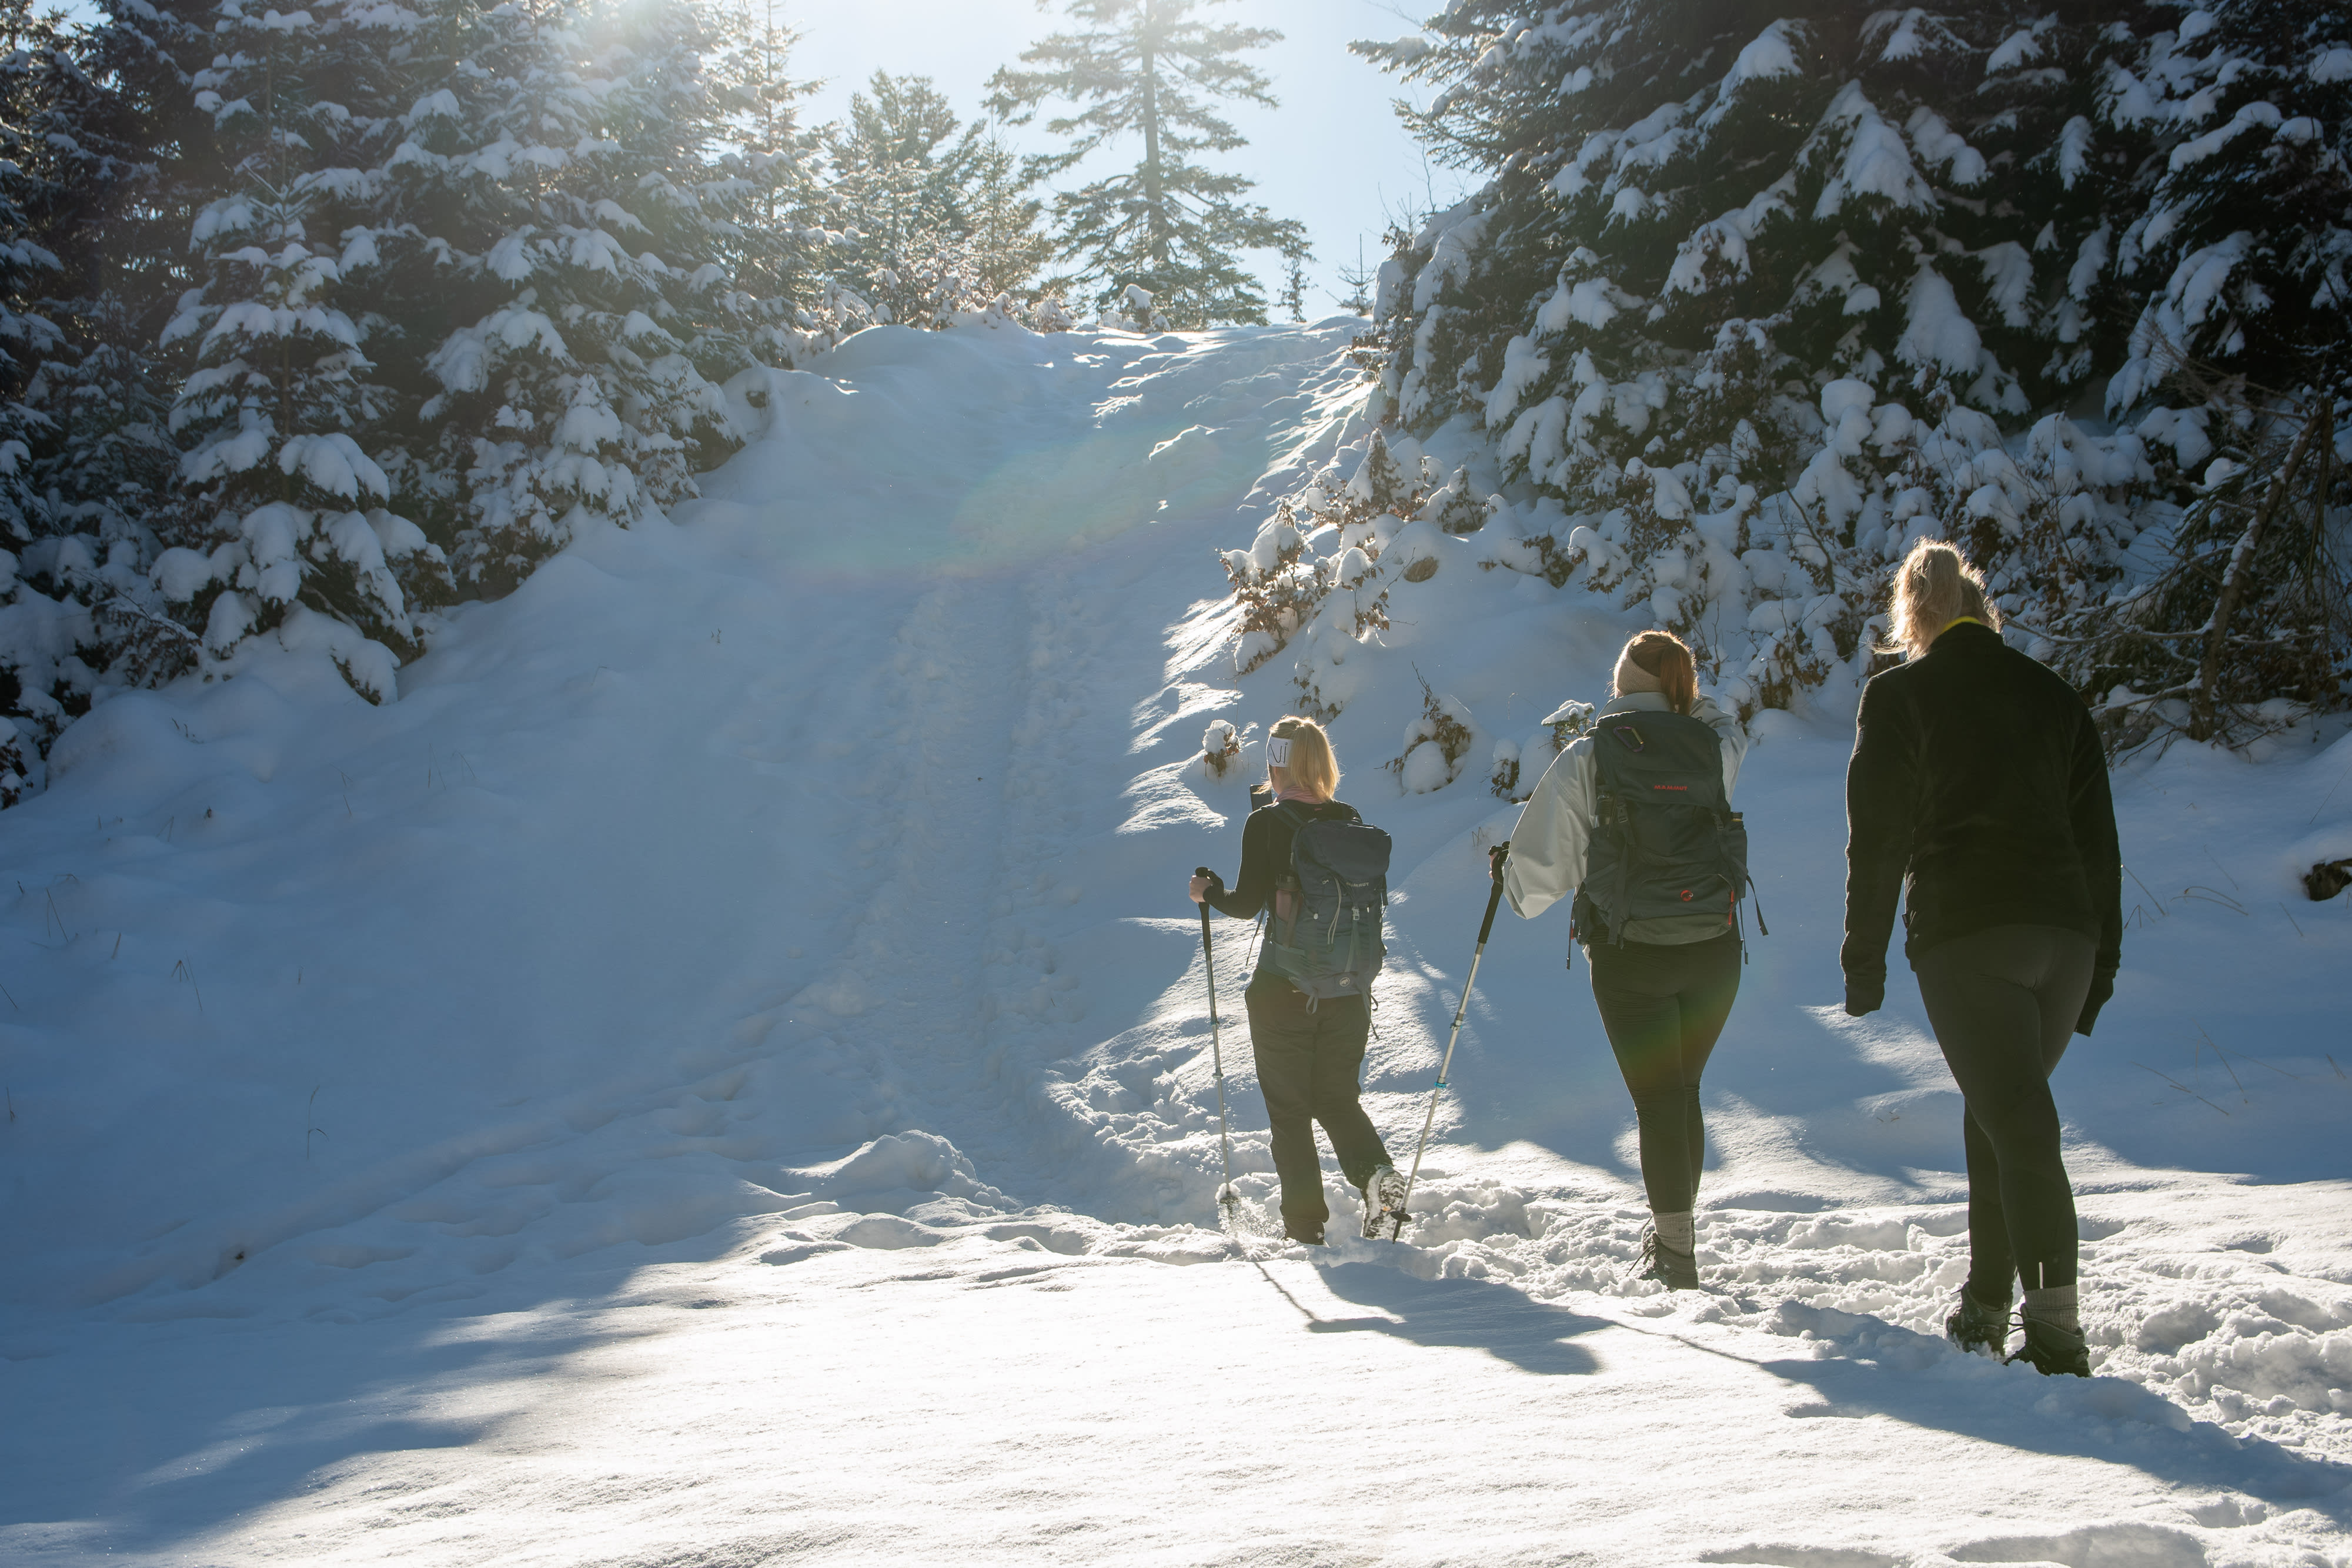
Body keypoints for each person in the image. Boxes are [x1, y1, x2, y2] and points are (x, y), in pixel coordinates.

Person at [1842, 538, 2121, 1378]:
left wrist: (1865, 958)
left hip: (1969, 935)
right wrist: (2100, 968)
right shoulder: (2054, 695)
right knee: (1999, 1111)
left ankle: (2058, 1336)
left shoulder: (1899, 696)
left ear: (1912, 616)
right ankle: (1987, 1306)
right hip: (2064, 939)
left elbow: (1878, 836)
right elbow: (2099, 843)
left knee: (2022, 1126)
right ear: (1979, 606)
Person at [1502, 630, 1750, 1290]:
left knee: (1657, 1100)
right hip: (1714, 948)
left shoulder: (1590, 755)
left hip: (1629, 953)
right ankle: (1678, 1236)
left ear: (1619, 687)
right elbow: (1730, 729)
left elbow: (1535, 878)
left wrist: (1513, 883)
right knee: (1684, 1092)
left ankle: (1675, 1254)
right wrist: (1686, 704)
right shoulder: (1711, 747)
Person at [1190, 716, 1405, 1246]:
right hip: (1349, 991)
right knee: (1335, 1097)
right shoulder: (1350, 821)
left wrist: (1206, 892)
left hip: (1283, 991)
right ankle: (1377, 1175)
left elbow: (1243, 905)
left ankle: (1304, 1228)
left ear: (1277, 762)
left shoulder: (1266, 823)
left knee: (1290, 1112)